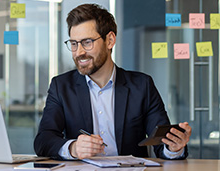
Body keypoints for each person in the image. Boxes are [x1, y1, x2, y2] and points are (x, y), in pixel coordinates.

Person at [34, 3, 191, 160]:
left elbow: (161, 143)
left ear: (110, 40)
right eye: (74, 44)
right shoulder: (61, 87)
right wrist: (73, 148)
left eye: (87, 42)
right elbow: (43, 140)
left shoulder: (142, 86)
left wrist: (174, 147)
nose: (79, 52)